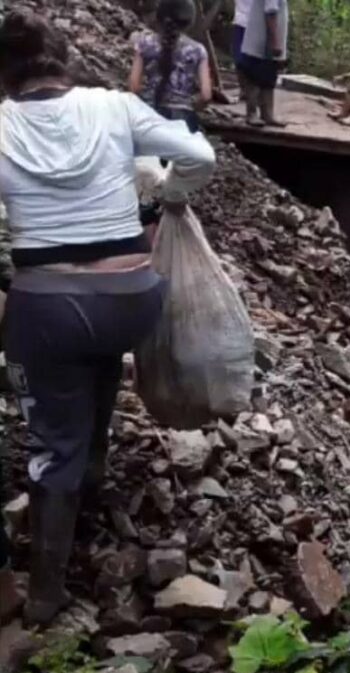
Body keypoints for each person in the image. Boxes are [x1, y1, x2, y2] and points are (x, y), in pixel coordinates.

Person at [0, 9, 216, 626]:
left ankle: (44, 593)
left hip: (49, 310)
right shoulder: (115, 108)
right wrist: (166, 196)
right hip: (133, 299)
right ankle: (90, 487)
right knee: (90, 364)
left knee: (52, 436)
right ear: (63, 60)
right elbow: (199, 154)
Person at [128, 0, 212, 133]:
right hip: (183, 119)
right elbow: (206, 95)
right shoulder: (198, 50)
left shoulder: (144, 44)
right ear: (189, 21)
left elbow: (134, 86)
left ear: (159, 17)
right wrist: (190, 106)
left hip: (149, 115)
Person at [240, 0, 289, 127]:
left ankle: (267, 114)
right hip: (262, 42)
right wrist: (274, 41)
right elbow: (270, 13)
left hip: (266, 43)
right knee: (255, 78)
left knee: (268, 78)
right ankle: (252, 114)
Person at [232, 0, 254, 101]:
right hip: (240, 22)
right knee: (239, 59)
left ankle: (249, 90)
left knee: (251, 58)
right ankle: (244, 89)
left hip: (254, 24)